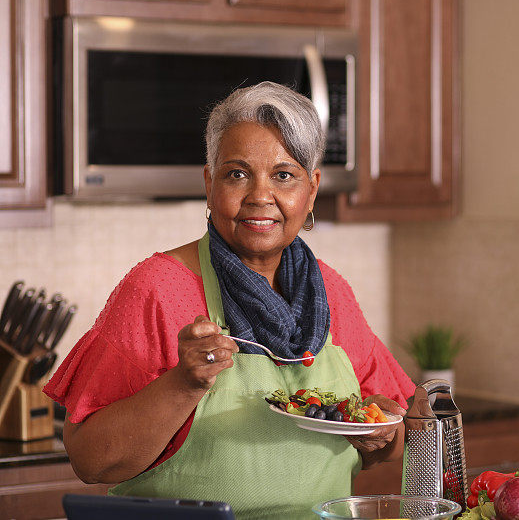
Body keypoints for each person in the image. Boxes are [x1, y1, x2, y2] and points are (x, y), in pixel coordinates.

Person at [44, 82, 416, 519]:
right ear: (209, 182)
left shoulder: (331, 292)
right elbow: (90, 460)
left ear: (311, 189)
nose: (260, 196)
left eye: (284, 175)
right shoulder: (158, 288)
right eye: (237, 174)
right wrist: (184, 383)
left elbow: (392, 437)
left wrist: (378, 437)